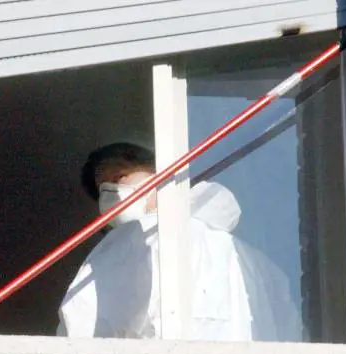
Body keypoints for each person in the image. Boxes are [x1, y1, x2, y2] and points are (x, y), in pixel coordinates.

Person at [55, 142, 255, 342]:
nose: (112, 192)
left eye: (120, 177)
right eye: (103, 189)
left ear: (160, 174)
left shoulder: (231, 251)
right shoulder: (116, 250)